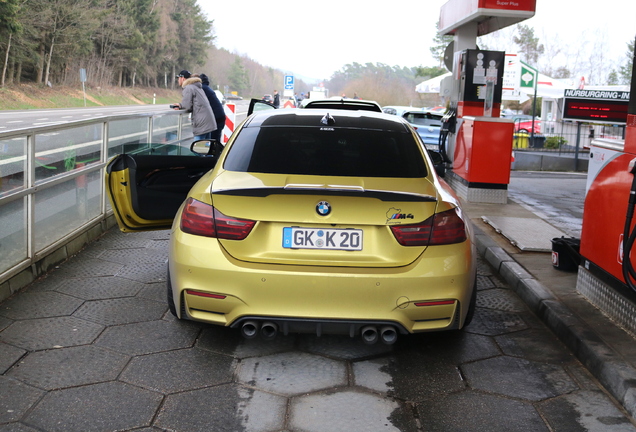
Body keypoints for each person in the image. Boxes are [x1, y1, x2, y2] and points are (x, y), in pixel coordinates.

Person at [173, 69, 216, 141]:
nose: (178, 80)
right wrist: (181, 105)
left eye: (178, 78)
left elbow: (187, 106)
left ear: (182, 78)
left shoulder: (188, 88)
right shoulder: (196, 86)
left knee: (197, 148)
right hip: (208, 121)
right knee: (205, 148)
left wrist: (180, 105)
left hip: (201, 124)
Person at [198, 73, 226, 143]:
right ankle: (216, 152)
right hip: (219, 118)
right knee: (215, 141)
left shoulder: (203, 89)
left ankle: (216, 153)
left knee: (213, 143)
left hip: (216, 120)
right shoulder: (207, 88)